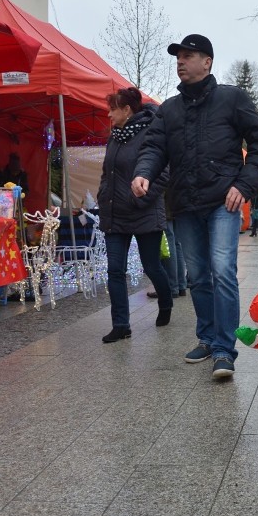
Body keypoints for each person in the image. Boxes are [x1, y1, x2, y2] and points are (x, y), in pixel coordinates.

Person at [131, 33, 258, 379]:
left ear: (207, 62)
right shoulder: (169, 109)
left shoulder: (232, 98)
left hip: (224, 199)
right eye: (178, 56)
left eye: (188, 55)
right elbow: (153, 148)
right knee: (197, 276)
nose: (180, 61)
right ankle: (207, 338)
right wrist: (143, 172)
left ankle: (225, 349)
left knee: (222, 269)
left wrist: (244, 184)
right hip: (185, 203)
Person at [98, 87, 173, 343]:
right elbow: (107, 173)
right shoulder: (114, 136)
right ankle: (121, 324)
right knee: (114, 271)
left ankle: (166, 302)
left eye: (112, 109)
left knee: (152, 266)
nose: (108, 114)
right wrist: (102, 197)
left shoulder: (151, 133)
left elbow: (162, 174)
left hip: (143, 212)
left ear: (127, 110)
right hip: (115, 215)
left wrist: (139, 199)